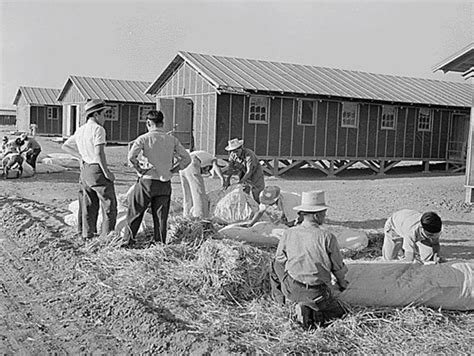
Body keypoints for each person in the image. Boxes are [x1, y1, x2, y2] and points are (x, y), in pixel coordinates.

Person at [270, 190, 348, 329]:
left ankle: (282, 302)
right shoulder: (327, 237)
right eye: (324, 213)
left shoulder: (289, 233)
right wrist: (342, 283)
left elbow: (279, 259)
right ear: (318, 215)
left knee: (274, 265)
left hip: (293, 287)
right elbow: (338, 268)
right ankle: (314, 310)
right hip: (318, 291)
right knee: (340, 314)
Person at [122, 110, 191, 247]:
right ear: (162, 123)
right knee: (161, 217)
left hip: (147, 180)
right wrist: (174, 169)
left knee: (135, 212)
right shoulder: (172, 140)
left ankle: (128, 241)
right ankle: (159, 244)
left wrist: (138, 168)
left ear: (148, 123)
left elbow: (131, 157)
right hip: (164, 182)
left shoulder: (143, 138)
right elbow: (187, 158)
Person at [62, 99, 117, 240]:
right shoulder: (98, 129)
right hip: (97, 169)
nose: (105, 118)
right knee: (109, 205)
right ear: (96, 114)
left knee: (88, 205)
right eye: (104, 114)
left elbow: (66, 146)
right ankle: (107, 237)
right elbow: (99, 153)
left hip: (85, 170)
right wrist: (107, 173)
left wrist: (80, 157)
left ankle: (87, 235)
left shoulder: (80, 130)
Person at [180, 150, 225, 218]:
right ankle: (201, 217)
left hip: (183, 164)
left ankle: (187, 215)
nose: (205, 172)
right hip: (193, 161)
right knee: (198, 192)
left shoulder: (204, 156)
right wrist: (222, 178)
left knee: (187, 193)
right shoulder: (213, 159)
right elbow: (216, 166)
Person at [222, 138, 265, 203]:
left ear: (241, 148)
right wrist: (227, 180)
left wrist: (241, 182)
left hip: (255, 173)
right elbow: (231, 168)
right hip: (243, 172)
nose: (235, 153)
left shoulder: (249, 154)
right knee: (243, 192)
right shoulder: (232, 155)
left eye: (236, 151)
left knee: (257, 193)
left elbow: (249, 171)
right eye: (232, 151)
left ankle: (260, 209)